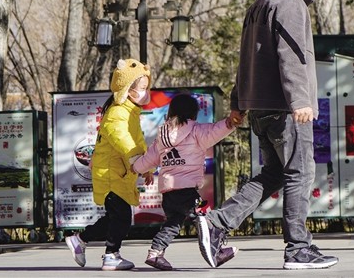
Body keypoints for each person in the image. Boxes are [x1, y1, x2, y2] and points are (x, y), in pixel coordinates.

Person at [196, 0, 338, 270]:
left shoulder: (260, 3)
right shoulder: (289, 1)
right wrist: (300, 100)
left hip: (261, 108)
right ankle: (298, 249)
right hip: (285, 108)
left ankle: (217, 223)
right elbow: (292, 55)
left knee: (274, 173)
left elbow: (247, 58)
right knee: (301, 173)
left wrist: (238, 101)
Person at [131, 92, 240, 270]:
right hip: (186, 190)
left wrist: (135, 168)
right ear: (194, 114)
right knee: (205, 216)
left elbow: (148, 159)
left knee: (173, 224)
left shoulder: (161, 137)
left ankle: (155, 253)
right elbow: (215, 131)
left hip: (168, 194)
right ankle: (216, 251)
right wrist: (230, 123)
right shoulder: (196, 131)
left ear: (170, 112)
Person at [65, 58, 152, 271]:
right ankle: (111, 255)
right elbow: (122, 139)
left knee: (116, 217)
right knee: (121, 217)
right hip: (111, 173)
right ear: (128, 89)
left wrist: (146, 167)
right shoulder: (118, 112)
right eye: (142, 88)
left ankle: (80, 239)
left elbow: (138, 141)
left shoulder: (129, 111)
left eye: (146, 87)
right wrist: (138, 161)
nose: (146, 92)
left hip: (117, 172)